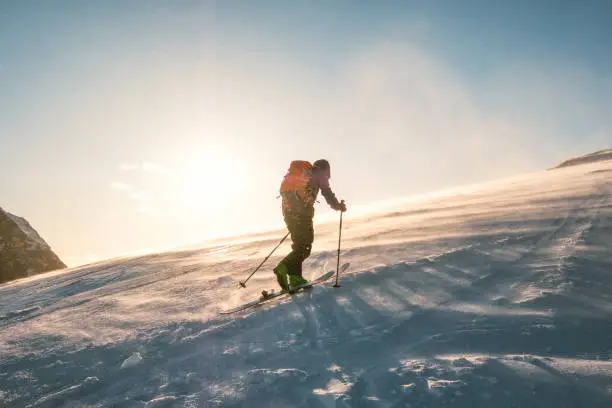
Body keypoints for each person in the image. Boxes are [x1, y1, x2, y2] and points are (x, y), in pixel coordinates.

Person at [273, 159, 346, 291]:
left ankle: (295, 277)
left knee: (299, 245)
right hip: (301, 214)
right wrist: (338, 206)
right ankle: (283, 267)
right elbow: (327, 193)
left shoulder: (302, 175)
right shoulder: (320, 174)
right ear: (325, 169)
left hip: (289, 213)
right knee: (305, 246)